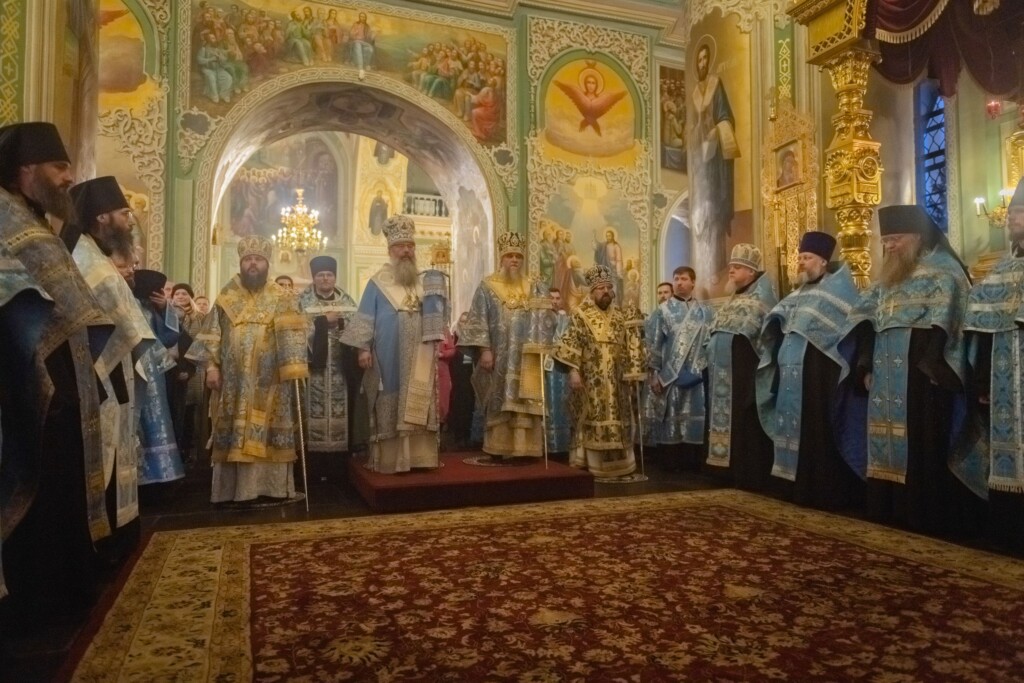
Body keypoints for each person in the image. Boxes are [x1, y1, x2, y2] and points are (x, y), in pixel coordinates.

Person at [0, 122, 115, 630]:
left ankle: (67, 586)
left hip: (60, 376)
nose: (69, 177)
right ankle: (39, 597)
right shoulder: (6, 217)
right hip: (27, 373)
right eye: (58, 167)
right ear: (27, 171)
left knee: (63, 481)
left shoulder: (34, 219)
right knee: (41, 479)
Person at [849, 204, 983, 535]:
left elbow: (949, 325)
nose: (889, 246)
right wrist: (864, 366)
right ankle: (888, 506)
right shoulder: (886, 281)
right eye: (887, 240)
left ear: (918, 236)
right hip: (884, 376)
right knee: (883, 439)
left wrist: (934, 368)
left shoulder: (944, 272)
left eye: (896, 239)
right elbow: (867, 324)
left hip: (923, 379)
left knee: (921, 444)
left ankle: (921, 513)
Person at [186, 235, 309, 502]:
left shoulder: (282, 297)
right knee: (234, 432)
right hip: (234, 382)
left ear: (268, 264)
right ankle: (236, 491)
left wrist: (293, 367)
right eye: (248, 259)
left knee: (270, 433)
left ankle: (272, 489)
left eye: (258, 259)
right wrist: (211, 368)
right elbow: (211, 335)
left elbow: (296, 336)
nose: (253, 264)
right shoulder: (226, 296)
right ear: (241, 263)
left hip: (272, 381)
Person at [756, 232, 865, 509]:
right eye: (800, 258)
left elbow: (847, 333)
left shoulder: (839, 292)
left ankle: (820, 489)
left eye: (807, 258)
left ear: (824, 261)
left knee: (816, 432)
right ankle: (792, 484)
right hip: (791, 377)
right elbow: (777, 323)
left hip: (819, 378)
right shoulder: (797, 295)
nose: (801, 263)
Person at [340, 216, 447, 473]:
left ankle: (420, 458)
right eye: (401, 246)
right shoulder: (378, 282)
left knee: (419, 398)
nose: (407, 250)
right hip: (388, 353)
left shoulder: (426, 281)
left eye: (410, 245)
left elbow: (437, 315)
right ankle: (391, 460)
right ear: (390, 250)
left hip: (421, 351)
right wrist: (363, 348)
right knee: (390, 397)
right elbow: (365, 316)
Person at [966, 178, 1024, 552]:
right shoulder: (1001, 269)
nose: (1013, 220)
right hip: (1005, 380)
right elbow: (981, 329)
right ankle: (1010, 531)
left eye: (1020, 214)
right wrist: (984, 382)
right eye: (1013, 214)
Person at [459, 232, 547, 460]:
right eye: (509, 255)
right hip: (500, 355)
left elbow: (544, 318)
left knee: (525, 397)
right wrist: (484, 350)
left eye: (518, 256)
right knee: (500, 397)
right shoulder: (488, 286)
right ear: (502, 258)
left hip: (527, 357)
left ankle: (525, 449)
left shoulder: (533, 285)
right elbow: (478, 319)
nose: (514, 260)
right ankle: (500, 448)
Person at [553, 265, 646, 476]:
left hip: (617, 379)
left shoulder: (622, 315)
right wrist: (573, 371)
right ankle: (591, 463)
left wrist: (634, 373)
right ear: (592, 292)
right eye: (600, 288)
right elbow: (570, 344)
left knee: (619, 417)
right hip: (591, 378)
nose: (605, 291)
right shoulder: (580, 315)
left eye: (608, 287)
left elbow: (633, 345)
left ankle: (621, 465)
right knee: (591, 416)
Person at [705, 244, 777, 490]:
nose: (731, 272)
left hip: (745, 376)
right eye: (731, 267)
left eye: (737, 268)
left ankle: (746, 473)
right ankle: (722, 469)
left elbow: (765, 340)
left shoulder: (762, 300)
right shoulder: (733, 300)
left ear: (751, 272)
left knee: (744, 422)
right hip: (722, 376)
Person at [646, 266, 714, 471]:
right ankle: (671, 463)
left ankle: (694, 462)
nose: (679, 283)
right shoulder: (663, 310)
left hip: (697, 374)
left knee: (696, 412)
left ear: (693, 282)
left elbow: (710, 342)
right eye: (676, 279)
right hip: (672, 374)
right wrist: (654, 375)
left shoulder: (705, 311)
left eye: (684, 279)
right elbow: (653, 344)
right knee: (672, 415)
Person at [297, 255, 360, 477]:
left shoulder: (347, 301)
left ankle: (338, 466)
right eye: (321, 275)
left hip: (341, 369)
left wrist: (340, 322)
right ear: (314, 278)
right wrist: (324, 322)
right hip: (313, 370)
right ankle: (314, 466)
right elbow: (296, 331)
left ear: (335, 277)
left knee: (342, 414)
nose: (325, 279)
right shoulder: (302, 301)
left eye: (329, 275)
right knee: (311, 413)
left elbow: (359, 329)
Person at [688, 38, 739, 285]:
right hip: (702, 157)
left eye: (705, 58)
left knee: (716, 205)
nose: (702, 63)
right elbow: (695, 124)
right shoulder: (695, 92)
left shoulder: (716, 84)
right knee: (704, 213)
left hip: (716, 155)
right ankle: (711, 268)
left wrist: (716, 131)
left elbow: (725, 116)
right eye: (699, 60)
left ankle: (719, 262)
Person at [544, 288, 571, 454]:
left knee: (563, 402)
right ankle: (547, 445)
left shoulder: (565, 317)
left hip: (562, 365)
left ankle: (563, 445)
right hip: (545, 365)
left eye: (557, 298)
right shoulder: (540, 318)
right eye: (551, 298)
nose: (554, 301)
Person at [349, 12, 374, 80]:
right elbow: (351, 34)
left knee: (370, 49)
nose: (362, 18)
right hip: (356, 41)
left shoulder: (367, 26)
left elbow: (369, 37)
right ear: (359, 17)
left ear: (365, 18)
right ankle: (361, 68)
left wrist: (373, 35)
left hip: (364, 42)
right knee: (358, 46)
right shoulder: (356, 24)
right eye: (361, 17)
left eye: (363, 17)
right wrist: (355, 32)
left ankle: (366, 64)